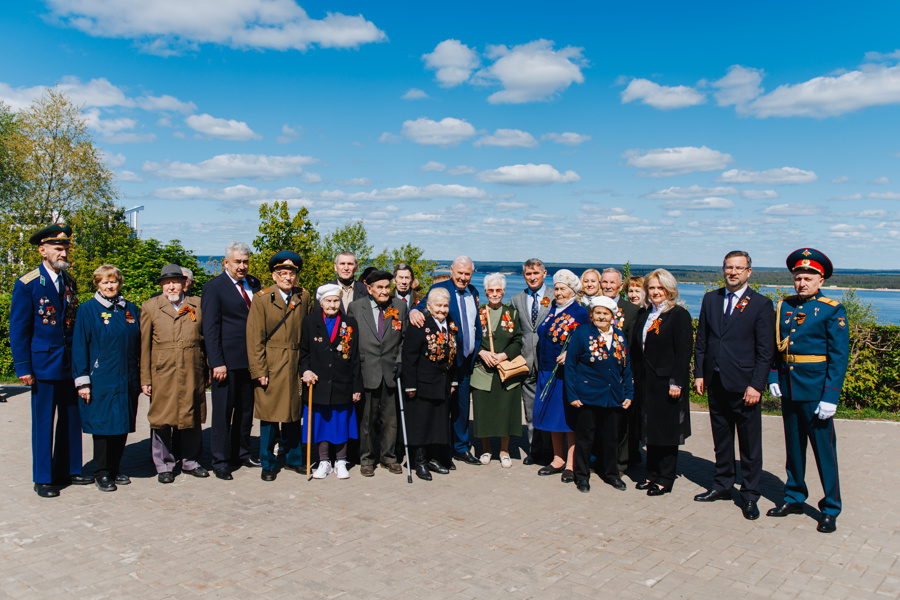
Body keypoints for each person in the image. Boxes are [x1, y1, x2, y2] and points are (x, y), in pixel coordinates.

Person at [766, 248, 848, 534]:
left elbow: (839, 357)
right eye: (798, 277)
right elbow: (779, 345)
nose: (802, 282)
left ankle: (831, 508)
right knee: (794, 449)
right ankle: (794, 497)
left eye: (809, 278)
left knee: (824, 452)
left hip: (816, 391)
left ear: (821, 280)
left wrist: (831, 396)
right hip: (789, 388)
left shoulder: (831, 309)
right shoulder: (785, 306)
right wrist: (774, 375)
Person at [10, 224, 90, 497]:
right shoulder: (28, 283)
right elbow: (19, 328)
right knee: (44, 420)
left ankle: (69, 469)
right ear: (43, 250)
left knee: (71, 417)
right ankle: (43, 477)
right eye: (58, 248)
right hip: (42, 363)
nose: (63, 252)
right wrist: (23, 366)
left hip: (69, 361)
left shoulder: (69, 281)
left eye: (65, 247)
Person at [693, 251, 775, 520]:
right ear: (723, 270)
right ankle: (723, 485)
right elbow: (702, 340)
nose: (733, 272)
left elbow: (766, 351)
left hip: (745, 386)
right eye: (729, 267)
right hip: (715, 381)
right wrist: (699, 374)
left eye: (739, 268)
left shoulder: (761, 304)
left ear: (749, 272)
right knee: (722, 439)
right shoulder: (711, 299)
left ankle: (750, 494)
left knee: (750, 445)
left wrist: (757, 385)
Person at [72, 265, 141, 492]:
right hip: (101, 378)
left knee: (121, 424)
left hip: (126, 378)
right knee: (103, 426)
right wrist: (82, 381)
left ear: (120, 283)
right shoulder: (87, 310)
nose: (109, 286)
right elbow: (80, 346)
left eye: (113, 281)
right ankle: (101, 472)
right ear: (97, 284)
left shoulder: (130, 309)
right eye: (104, 282)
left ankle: (115, 467)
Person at [409, 256, 482, 466]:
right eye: (459, 273)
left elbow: (474, 322)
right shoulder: (442, 288)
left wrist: (477, 346)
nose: (463, 277)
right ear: (451, 271)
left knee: (461, 409)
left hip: (466, 361)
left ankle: (461, 447)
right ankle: (440, 451)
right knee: (441, 410)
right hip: (444, 363)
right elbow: (425, 305)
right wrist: (414, 310)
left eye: (467, 273)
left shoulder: (473, 292)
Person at [140, 264, 210, 484]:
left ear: (184, 283)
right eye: (167, 283)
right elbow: (143, 347)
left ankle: (191, 461)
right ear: (161, 285)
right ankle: (164, 465)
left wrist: (207, 367)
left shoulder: (197, 305)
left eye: (176, 282)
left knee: (192, 416)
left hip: (192, 368)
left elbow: (207, 339)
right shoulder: (151, 307)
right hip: (163, 371)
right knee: (161, 419)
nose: (171, 286)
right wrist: (145, 378)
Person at [247, 252, 312, 481]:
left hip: (295, 362)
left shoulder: (303, 296)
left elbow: (308, 332)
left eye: (291, 273)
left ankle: (295, 459)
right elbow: (255, 339)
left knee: (294, 415)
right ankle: (268, 462)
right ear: (274, 276)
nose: (287, 277)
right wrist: (259, 370)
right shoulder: (262, 299)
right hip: (272, 362)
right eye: (282, 273)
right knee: (270, 416)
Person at [201, 241, 262, 480]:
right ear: (226, 262)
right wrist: (216, 361)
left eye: (245, 262)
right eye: (237, 261)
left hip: (251, 360)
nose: (242, 266)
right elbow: (211, 327)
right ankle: (220, 460)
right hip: (226, 362)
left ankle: (242, 452)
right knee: (223, 414)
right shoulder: (214, 287)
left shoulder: (254, 284)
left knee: (246, 411)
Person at [631, 269, 693, 496]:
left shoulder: (679, 315)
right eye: (652, 288)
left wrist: (676, 381)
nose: (656, 292)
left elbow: (683, 352)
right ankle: (651, 473)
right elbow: (638, 350)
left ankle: (665, 478)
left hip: (668, 383)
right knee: (649, 429)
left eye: (660, 288)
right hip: (646, 382)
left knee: (665, 432)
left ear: (670, 290)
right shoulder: (644, 314)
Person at [565, 296, 633, 493]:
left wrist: (628, 392)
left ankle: (612, 474)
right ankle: (582, 476)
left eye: (605, 313)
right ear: (592, 315)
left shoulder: (619, 336)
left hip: (613, 396)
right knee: (585, 439)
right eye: (598, 313)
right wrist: (572, 394)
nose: (601, 317)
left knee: (611, 438)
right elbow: (570, 365)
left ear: (612, 316)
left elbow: (626, 367)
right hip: (588, 395)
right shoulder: (582, 333)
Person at [300, 284, 363, 480]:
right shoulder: (310, 321)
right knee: (321, 425)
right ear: (321, 302)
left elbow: (355, 358)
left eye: (336, 301)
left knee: (341, 423)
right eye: (328, 301)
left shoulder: (349, 323)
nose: (332, 305)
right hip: (318, 384)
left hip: (342, 383)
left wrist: (356, 387)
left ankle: (341, 461)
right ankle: (324, 461)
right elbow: (304, 353)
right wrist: (306, 370)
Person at [348, 269, 407, 476]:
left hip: (391, 371)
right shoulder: (355, 308)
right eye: (379, 287)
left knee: (391, 420)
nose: (384, 291)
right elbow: (350, 342)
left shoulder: (400, 306)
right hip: (367, 371)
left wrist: (400, 362)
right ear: (369, 288)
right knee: (367, 420)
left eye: (386, 287)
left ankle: (389, 457)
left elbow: (404, 340)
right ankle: (366, 458)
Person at [533, 269, 589, 483]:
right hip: (547, 370)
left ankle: (572, 463)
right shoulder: (552, 309)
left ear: (572, 290)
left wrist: (571, 353)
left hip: (567, 374)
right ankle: (557, 459)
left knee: (568, 419)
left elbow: (585, 342)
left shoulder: (580, 313)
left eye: (563, 289)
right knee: (553, 418)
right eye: (556, 288)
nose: (558, 292)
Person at [401, 287, 458, 480]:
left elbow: (452, 355)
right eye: (438, 305)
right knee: (421, 424)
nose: (442, 309)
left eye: (445, 306)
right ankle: (420, 462)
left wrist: (453, 381)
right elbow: (409, 357)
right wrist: (410, 385)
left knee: (438, 424)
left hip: (441, 383)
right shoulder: (420, 325)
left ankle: (434, 459)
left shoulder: (450, 324)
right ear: (429, 306)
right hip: (422, 383)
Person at [471, 274, 524, 468]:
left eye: (498, 290)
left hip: (504, 371)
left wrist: (503, 355)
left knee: (504, 411)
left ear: (503, 291)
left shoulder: (512, 313)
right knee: (483, 411)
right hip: (482, 370)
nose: (494, 294)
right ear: (485, 292)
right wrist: (482, 352)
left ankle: (504, 450)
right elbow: (469, 339)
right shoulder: (477, 313)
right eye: (491, 290)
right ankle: (485, 449)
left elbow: (518, 340)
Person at [510, 258, 554, 465]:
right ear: (524, 276)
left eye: (536, 273)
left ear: (544, 274)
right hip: (527, 361)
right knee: (530, 410)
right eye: (528, 274)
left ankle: (554, 452)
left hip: (550, 362)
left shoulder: (556, 295)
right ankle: (535, 450)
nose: (532, 277)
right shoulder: (517, 299)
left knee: (551, 408)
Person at [599, 267, 641, 472]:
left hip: (621, 374)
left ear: (620, 285)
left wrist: (630, 376)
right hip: (597, 376)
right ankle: (601, 459)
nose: (607, 286)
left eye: (612, 283)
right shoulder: (595, 308)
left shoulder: (632, 311)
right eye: (604, 282)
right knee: (601, 420)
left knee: (622, 421)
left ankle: (621, 462)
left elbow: (634, 347)